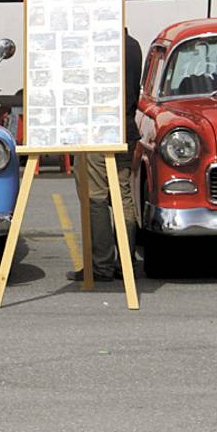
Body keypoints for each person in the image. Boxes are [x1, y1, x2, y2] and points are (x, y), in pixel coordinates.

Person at [72, 27, 143, 282]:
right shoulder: (133, 44)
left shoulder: (99, 46)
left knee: (96, 198)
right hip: (126, 128)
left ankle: (100, 265)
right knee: (123, 196)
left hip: (98, 128)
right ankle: (125, 261)